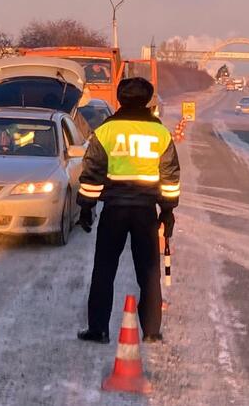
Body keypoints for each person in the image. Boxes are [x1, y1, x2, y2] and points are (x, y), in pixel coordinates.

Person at [76, 77, 180, 344]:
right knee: (148, 271)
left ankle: (98, 329)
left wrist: (85, 208)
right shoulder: (160, 133)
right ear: (148, 100)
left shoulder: (106, 131)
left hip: (114, 211)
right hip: (145, 211)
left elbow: (92, 173)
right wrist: (167, 211)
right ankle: (152, 331)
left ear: (120, 100)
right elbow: (169, 176)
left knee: (104, 269)